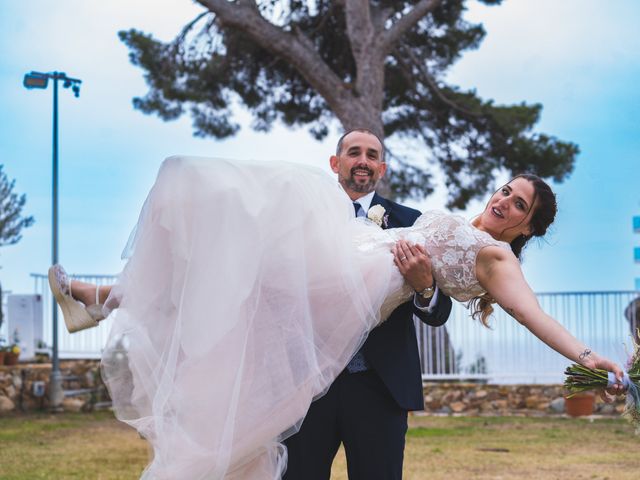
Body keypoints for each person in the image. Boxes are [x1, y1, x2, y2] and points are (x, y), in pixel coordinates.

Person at [48, 131, 626, 480]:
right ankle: (103, 300)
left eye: (518, 203)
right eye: (506, 189)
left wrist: (590, 355)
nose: (504, 200)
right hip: (341, 279)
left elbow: (532, 315)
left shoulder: (497, 257)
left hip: (366, 323)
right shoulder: (439, 218)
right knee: (235, 254)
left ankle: (100, 301)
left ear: (528, 224)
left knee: (241, 229)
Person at [282, 130, 451, 480]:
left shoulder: (411, 222)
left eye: (372, 155)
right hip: (309, 387)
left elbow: (439, 312)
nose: (363, 161)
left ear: (382, 168)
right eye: (354, 152)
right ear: (335, 162)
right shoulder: (301, 220)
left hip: (379, 386)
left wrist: (425, 287)